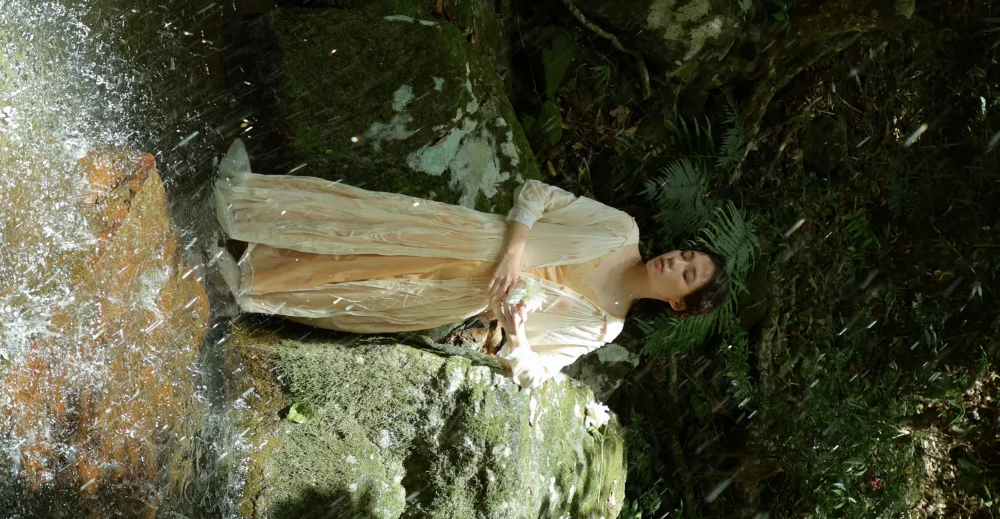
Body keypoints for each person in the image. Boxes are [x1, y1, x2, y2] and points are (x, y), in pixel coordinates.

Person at [213, 142, 728, 390]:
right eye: (686, 255)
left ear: (677, 304)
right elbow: (538, 194)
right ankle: (245, 206)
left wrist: (515, 332)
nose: (675, 262)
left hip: (461, 294)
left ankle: (251, 281)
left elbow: (536, 373)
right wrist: (514, 250)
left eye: (686, 274)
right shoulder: (620, 229)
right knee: (366, 224)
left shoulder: (604, 326)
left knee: (366, 283)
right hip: (471, 236)